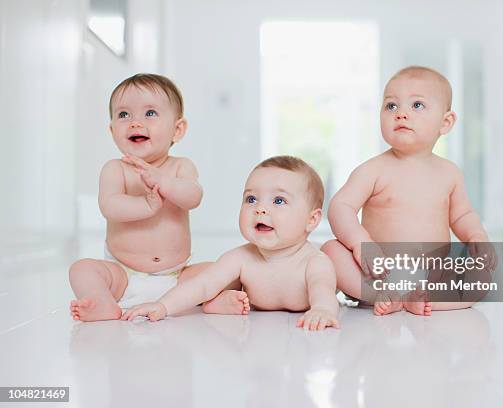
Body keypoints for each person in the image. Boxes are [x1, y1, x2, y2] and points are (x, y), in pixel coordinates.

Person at [321, 66, 496, 316]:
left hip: (432, 276)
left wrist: (477, 237)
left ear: (445, 122)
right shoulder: (373, 170)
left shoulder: (449, 173)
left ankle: (426, 300)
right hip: (377, 272)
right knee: (330, 251)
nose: (401, 113)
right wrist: (361, 243)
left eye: (417, 105)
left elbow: (462, 215)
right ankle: (380, 295)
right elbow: (340, 207)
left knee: (481, 276)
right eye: (391, 106)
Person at [122, 156, 340, 331]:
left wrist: (322, 310)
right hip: (257, 341)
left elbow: (323, 292)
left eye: (279, 201)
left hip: (293, 350)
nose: (260, 209)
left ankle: (370, 295)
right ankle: (219, 303)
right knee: (210, 278)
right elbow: (203, 284)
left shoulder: (315, 262)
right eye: (251, 199)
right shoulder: (242, 258)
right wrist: (163, 306)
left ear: (311, 220)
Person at [69, 73, 204, 321]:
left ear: (177, 129)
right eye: (123, 115)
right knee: (82, 269)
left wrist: (164, 183)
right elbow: (109, 206)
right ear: (112, 130)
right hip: (124, 274)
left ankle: (217, 299)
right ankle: (102, 302)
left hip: (176, 277)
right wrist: (146, 204)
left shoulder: (180, 167)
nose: (135, 122)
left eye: (150, 113)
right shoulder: (115, 168)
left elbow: (193, 197)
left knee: (222, 272)